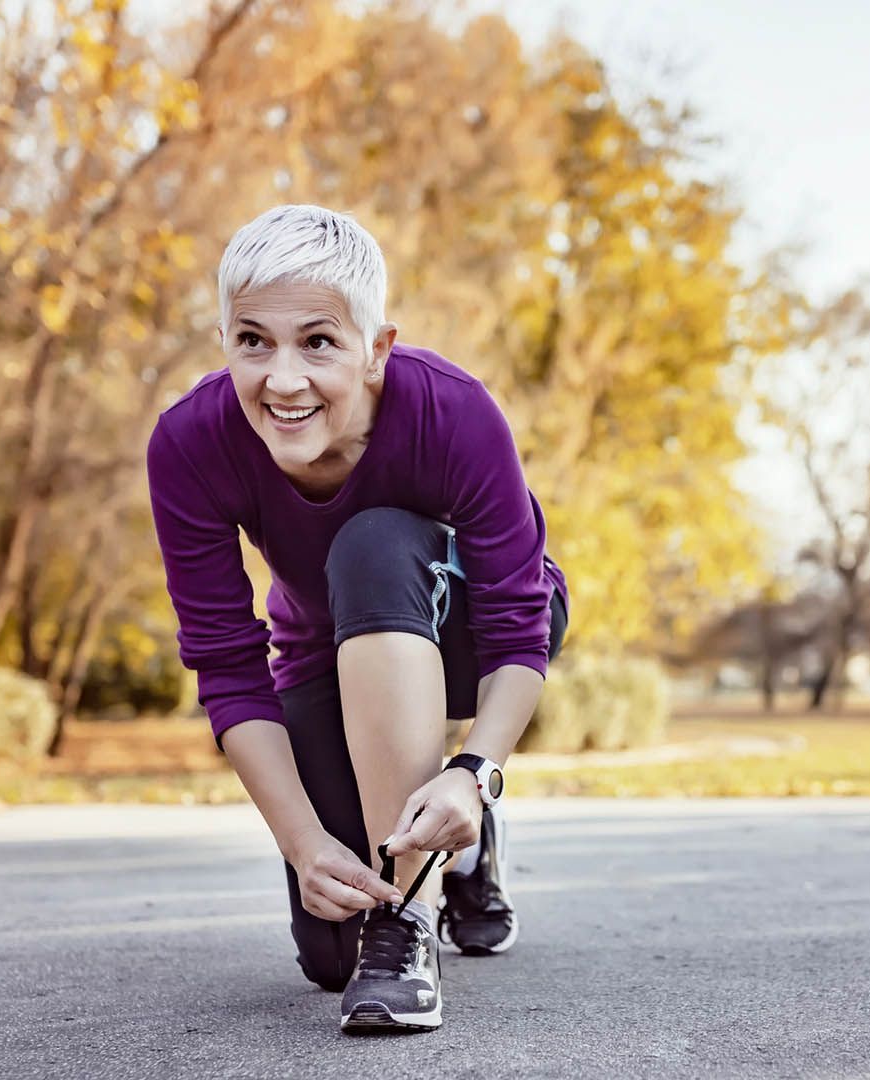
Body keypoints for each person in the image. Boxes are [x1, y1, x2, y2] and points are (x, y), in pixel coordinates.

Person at [145, 204, 569, 1034]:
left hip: (473, 632)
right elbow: (231, 667)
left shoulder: (453, 411)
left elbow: (519, 626)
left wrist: (476, 769)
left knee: (370, 544)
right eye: (253, 341)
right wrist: (303, 843)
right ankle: (457, 848)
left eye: (319, 341)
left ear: (377, 348)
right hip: (324, 656)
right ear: (224, 339)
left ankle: (414, 914)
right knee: (331, 953)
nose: (284, 379)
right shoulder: (190, 445)